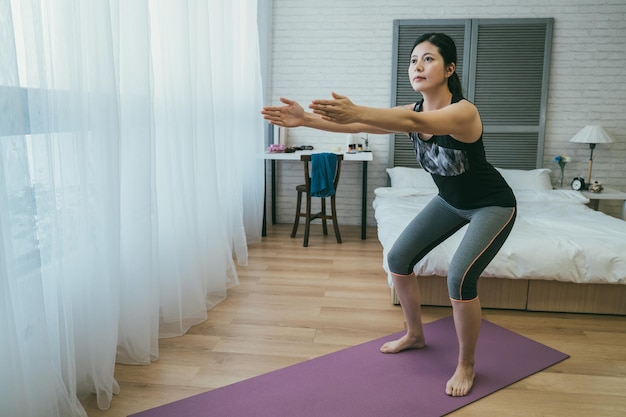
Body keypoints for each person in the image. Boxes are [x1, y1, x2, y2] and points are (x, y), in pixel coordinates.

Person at [261, 32, 517, 397]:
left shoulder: (463, 111)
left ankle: (466, 364)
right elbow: (357, 126)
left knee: (459, 279)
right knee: (398, 259)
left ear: (449, 69)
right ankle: (414, 334)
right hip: (450, 201)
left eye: (428, 59)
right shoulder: (411, 112)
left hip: (492, 204)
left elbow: (412, 125)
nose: (417, 66)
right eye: (413, 60)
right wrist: (304, 121)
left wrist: (358, 109)